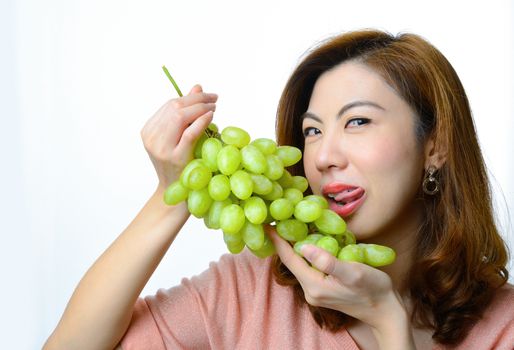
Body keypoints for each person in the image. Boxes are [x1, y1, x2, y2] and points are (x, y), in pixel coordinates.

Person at [44, 29, 513, 350]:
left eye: (358, 121)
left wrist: (388, 324)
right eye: (311, 131)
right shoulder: (252, 290)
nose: (324, 156)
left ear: (435, 148)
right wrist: (172, 196)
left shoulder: (503, 325)